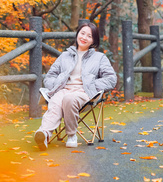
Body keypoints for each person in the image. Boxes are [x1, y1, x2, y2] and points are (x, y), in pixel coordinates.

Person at [34, 22, 117, 150]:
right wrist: (56, 85)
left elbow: (111, 79)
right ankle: (44, 134)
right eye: (82, 33)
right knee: (56, 102)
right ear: (77, 34)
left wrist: (91, 85)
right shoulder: (65, 56)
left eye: (89, 36)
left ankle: (72, 135)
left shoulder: (99, 57)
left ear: (94, 40)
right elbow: (50, 76)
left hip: (84, 93)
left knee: (69, 99)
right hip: (63, 90)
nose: (84, 37)